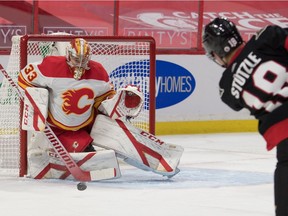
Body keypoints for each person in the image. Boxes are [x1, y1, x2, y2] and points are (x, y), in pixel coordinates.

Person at [202, 17, 288, 216]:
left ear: (216, 53)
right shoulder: (266, 37)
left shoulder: (226, 87)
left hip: (282, 134)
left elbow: (236, 104)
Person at [18, 38, 115, 153]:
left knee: (88, 156)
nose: (80, 64)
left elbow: (105, 97)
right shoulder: (51, 66)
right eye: (76, 59)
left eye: (83, 60)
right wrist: (36, 100)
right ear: (68, 55)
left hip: (84, 127)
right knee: (38, 154)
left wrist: (115, 105)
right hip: (54, 127)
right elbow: (23, 78)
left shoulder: (99, 71)